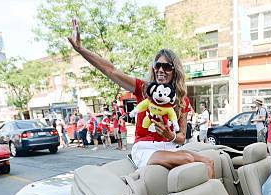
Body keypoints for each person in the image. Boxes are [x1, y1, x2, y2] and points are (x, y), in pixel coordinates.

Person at [68, 19, 213, 176]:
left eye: (167, 66)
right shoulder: (143, 88)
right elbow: (110, 70)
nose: (161, 70)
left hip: (169, 147)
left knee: (209, 161)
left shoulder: (181, 99)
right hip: (146, 148)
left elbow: (182, 137)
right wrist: (81, 49)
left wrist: (170, 135)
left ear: (174, 70)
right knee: (186, 158)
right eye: (157, 65)